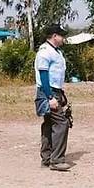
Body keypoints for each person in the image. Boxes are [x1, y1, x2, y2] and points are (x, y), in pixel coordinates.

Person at [34, 24, 73, 172]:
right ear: (54, 36)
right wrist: (50, 96)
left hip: (55, 90)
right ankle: (56, 160)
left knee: (49, 123)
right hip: (47, 92)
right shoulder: (45, 52)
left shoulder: (56, 52)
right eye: (61, 35)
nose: (63, 38)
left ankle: (47, 158)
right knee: (62, 123)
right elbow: (43, 75)